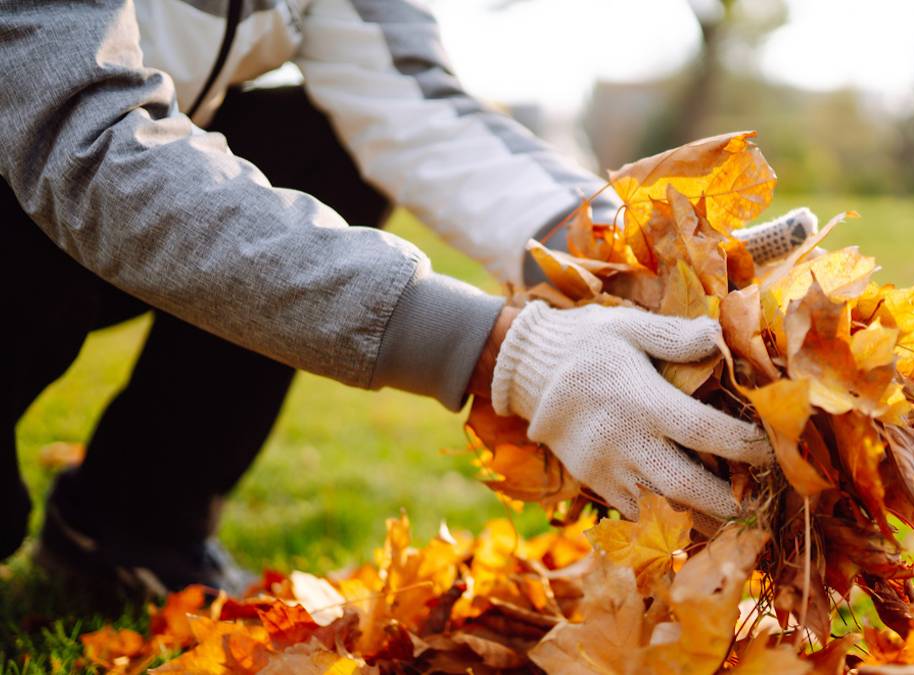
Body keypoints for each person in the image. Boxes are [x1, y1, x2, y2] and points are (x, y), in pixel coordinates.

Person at [0, 0, 814, 600]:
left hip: (92, 212)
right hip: (40, 184)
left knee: (318, 140)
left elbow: (417, 108)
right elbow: (87, 141)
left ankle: (130, 525)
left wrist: (635, 250)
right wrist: (508, 351)